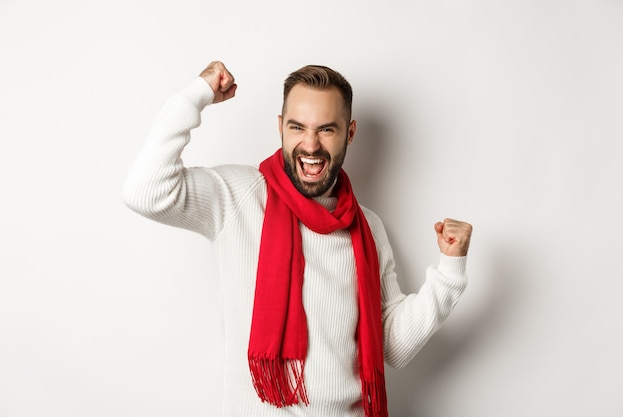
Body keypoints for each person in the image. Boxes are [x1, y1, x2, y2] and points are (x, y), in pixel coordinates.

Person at [122, 60, 473, 417]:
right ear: (280, 128)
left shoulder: (368, 228)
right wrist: (197, 94)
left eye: (326, 130)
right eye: (297, 127)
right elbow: (145, 192)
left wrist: (449, 273)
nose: (310, 145)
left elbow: (394, 347)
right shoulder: (238, 197)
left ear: (350, 132)